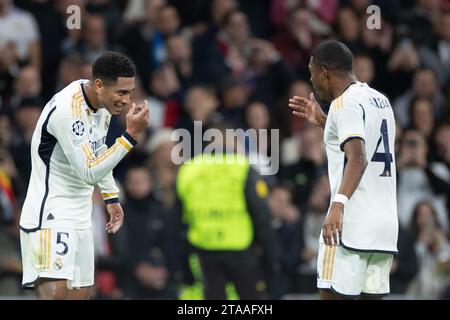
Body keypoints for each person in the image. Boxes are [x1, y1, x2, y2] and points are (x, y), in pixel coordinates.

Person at [19, 51, 149, 300]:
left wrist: (111, 197)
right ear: (99, 85)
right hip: (51, 214)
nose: (126, 100)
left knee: (81, 295)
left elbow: (99, 152)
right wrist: (130, 136)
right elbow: (89, 171)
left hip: (81, 216)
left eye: (130, 92)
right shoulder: (68, 110)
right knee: (57, 296)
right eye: (121, 92)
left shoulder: (102, 105)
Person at [289, 40, 398, 299]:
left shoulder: (343, 103)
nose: (312, 80)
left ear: (324, 72)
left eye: (312, 72)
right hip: (384, 227)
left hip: (350, 223)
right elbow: (365, 144)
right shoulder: (379, 100)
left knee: (329, 295)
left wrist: (337, 205)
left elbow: (358, 158)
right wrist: (326, 123)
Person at [175, 123, 281, 300]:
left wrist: (182, 264)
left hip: (203, 249)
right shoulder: (243, 168)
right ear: (231, 141)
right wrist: (272, 258)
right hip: (240, 249)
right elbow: (261, 217)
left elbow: (177, 221)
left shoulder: (189, 170)